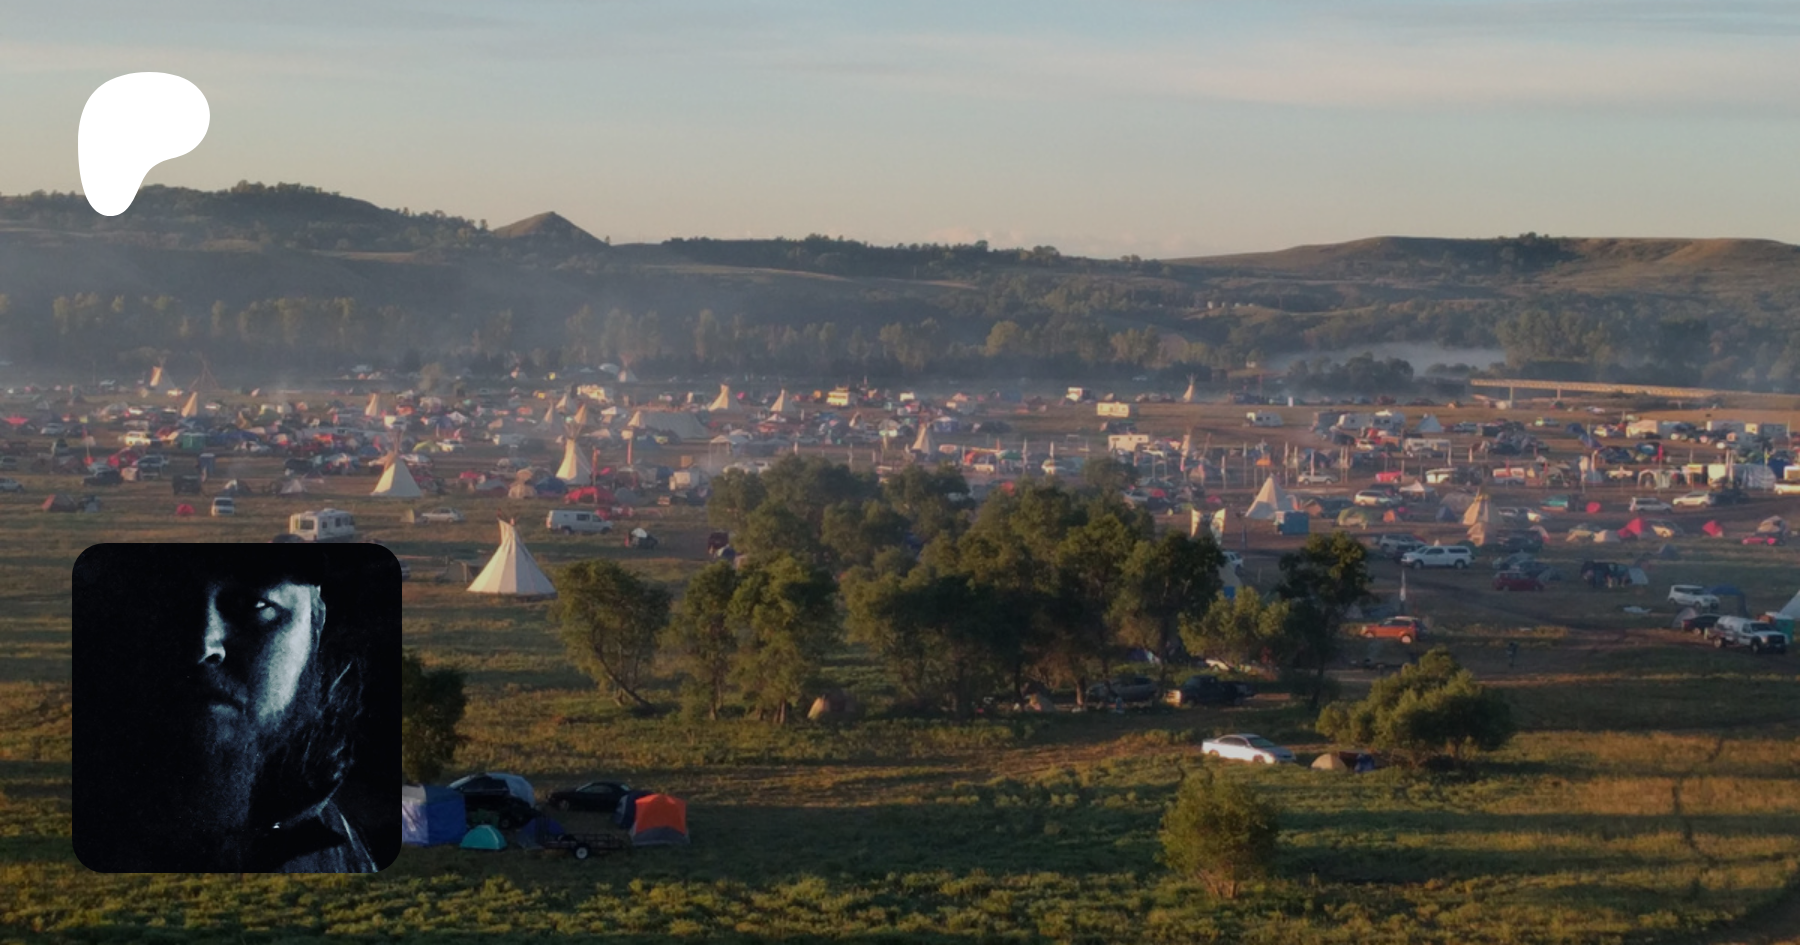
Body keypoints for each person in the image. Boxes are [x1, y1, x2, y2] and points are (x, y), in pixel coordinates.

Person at [73, 546, 385, 872]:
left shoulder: (341, 846)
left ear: (315, 624)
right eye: (170, 600)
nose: (202, 644)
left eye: (252, 604)